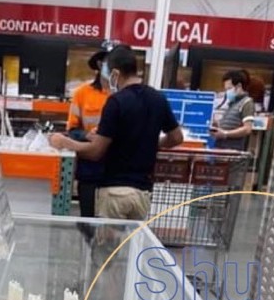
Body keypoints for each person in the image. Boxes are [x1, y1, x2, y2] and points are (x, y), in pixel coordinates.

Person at [49, 44, 183, 220]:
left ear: (115, 73)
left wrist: (66, 143)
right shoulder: (158, 98)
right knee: (133, 237)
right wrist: (153, 144)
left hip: (115, 192)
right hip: (143, 193)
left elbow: (96, 152)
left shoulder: (116, 102)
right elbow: (176, 137)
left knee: (106, 238)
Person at [65, 46, 112, 220]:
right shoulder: (82, 94)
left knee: (111, 223)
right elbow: (71, 130)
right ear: (99, 65)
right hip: (89, 168)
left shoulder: (122, 95)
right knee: (87, 220)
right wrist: (86, 135)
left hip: (115, 168)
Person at [210, 70, 255, 151]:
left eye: (229, 88)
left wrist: (225, 134)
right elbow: (231, 124)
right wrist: (217, 125)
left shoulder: (247, 103)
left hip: (232, 151)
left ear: (239, 86)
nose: (227, 92)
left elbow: (247, 129)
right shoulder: (231, 104)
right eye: (226, 90)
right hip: (221, 148)